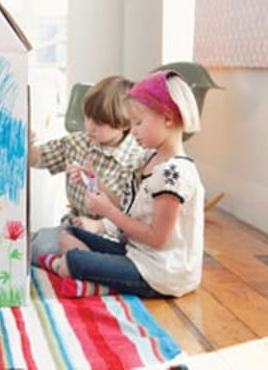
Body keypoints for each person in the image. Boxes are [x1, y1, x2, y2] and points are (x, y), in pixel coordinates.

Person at [41, 70, 205, 298]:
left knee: (72, 260)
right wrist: (96, 182)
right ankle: (92, 274)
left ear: (167, 118)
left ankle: (89, 278)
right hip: (136, 253)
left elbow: (157, 239)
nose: (133, 130)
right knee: (68, 233)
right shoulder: (148, 159)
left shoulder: (174, 173)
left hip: (161, 272)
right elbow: (129, 206)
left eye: (138, 122)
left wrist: (107, 211)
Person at [29, 76, 144, 265]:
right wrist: (25, 142)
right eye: (88, 118)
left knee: (41, 249)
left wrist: (99, 224)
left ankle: (77, 265)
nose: (90, 127)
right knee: (31, 244)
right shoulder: (78, 142)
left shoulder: (136, 159)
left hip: (113, 236)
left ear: (125, 124)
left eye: (99, 123)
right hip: (74, 226)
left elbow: (131, 214)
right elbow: (41, 157)